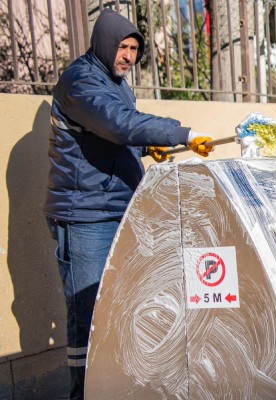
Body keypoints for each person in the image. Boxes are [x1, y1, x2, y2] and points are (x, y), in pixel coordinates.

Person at [44, 8, 215, 399]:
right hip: (85, 216)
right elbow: (117, 123)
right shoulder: (80, 81)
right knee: (88, 312)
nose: (128, 56)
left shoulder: (114, 80)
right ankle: (82, 393)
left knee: (120, 308)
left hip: (117, 209)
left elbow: (121, 131)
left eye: (134, 49)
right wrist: (181, 133)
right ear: (104, 43)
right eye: (122, 46)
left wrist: (146, 144)